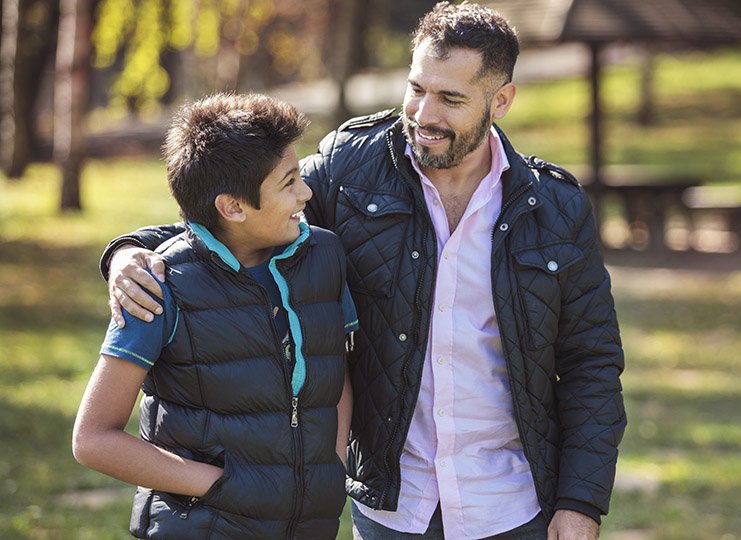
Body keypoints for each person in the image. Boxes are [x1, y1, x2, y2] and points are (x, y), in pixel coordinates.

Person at [100, 3, 626, 539]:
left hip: (513, 506)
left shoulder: (556, 206)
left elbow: (592, 360)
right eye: (417, 88)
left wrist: (580, 501)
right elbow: (239, 212)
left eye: (450, 99)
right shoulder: (351, 166)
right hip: (392, 507)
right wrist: (128, 250)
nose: (424, 114)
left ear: (502, 100)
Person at [74, 93, 359, 540]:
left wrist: (332, 462)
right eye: (288, 182)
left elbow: (332, 367)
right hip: (203, 525)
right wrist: (218, 484)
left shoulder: (323, 256)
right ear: (233, 207)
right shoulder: (158, 285)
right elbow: (93, 439)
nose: (305, 193)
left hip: (309, 525)